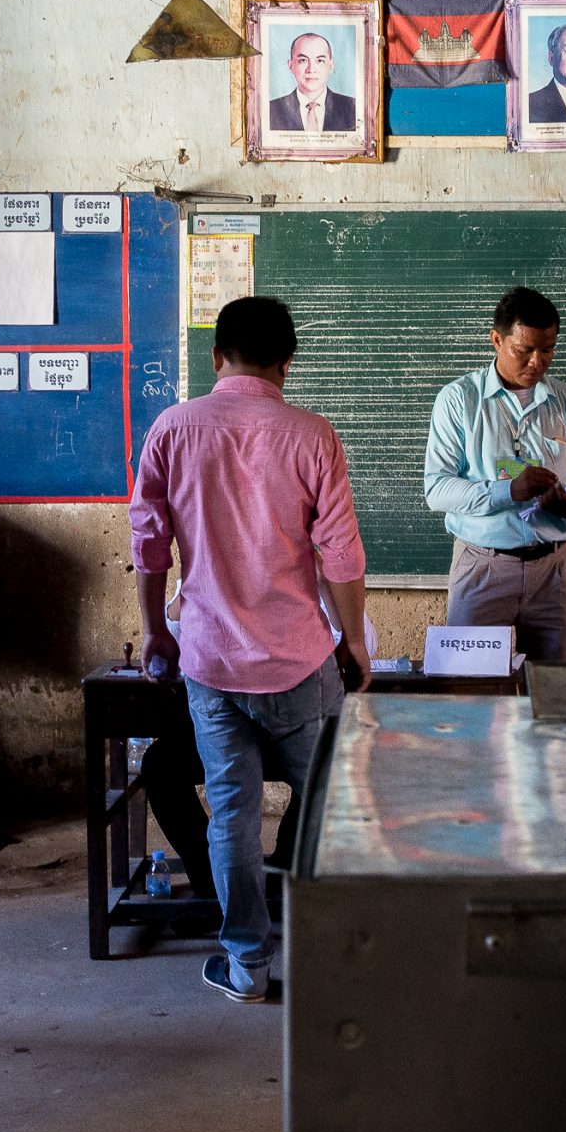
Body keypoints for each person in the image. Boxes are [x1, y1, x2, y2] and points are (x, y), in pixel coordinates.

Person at [129, 295, 370, 1004]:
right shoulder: (312, 435)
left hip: (209, 663)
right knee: (330, 800)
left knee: (232, 813)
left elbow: (149, 547)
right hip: (299, 660)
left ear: (216, 357)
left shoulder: (171, 429)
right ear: (287, 363)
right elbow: (342, 559)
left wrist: (154, 631)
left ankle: (247, 968)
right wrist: (353, 643)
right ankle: (340, 959)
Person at [422, 285, 566, 662]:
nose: (537, 362)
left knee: (554, 691)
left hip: (554, 570)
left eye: (548, 349)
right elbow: (437, 489)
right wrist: (508, 491)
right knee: (470, 690)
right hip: (483, 567)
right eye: (524, 350)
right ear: (496, 340)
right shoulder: (458, 401)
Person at [266, 31, 358, 133]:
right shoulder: (270, 110)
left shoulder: (354, 108)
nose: (311, 69)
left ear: (331, 66)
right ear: (291, 66)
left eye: (320, 61)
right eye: (303, 60)